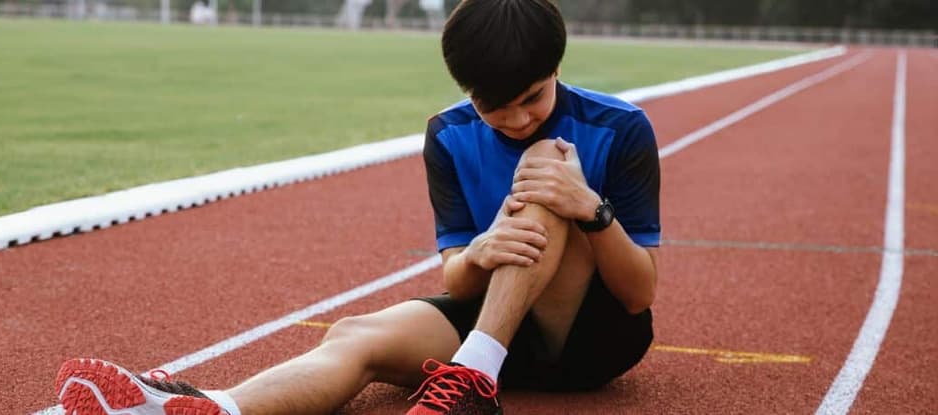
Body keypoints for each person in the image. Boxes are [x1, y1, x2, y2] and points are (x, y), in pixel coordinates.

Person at [54, 1, 660, 414]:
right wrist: (478, 250)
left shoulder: (620, 127)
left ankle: (474, 378)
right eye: (494, 106)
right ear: (467, 93)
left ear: (557, 68)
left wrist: (589, 210)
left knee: (548, 175)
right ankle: (211, 405)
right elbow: (454, 274)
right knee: (353, 335)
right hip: (496, 327)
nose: (520, 118)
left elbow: (639, 294)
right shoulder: (447, 135)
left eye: (532, 98)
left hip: (592, 339)